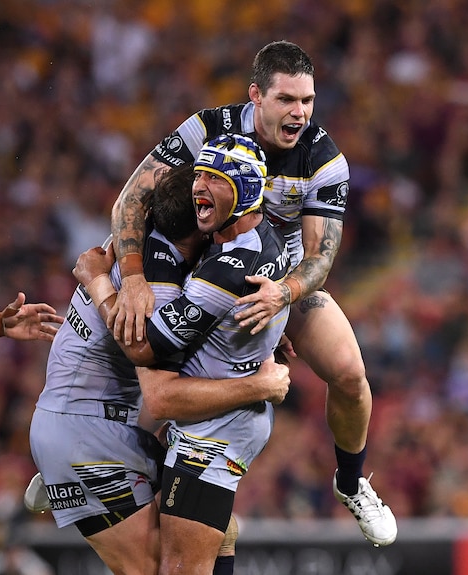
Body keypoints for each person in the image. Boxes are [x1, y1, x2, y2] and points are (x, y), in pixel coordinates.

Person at [108, 40, 397, 547]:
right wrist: (133, 276)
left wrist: (282, 296)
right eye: (287, 100)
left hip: (276, 282)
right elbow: (133, 197)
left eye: (307, 100)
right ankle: (88, 451)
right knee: (140, 340)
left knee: (350, 373)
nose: (300, 112)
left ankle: (351, 485)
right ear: (255, 96)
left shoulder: (325, 159)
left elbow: (320, 257)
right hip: (194, 269)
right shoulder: (206, 129)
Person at [29, 160, 290, 575]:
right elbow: (156, 382)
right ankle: (63, 474)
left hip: (105, 426)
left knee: (219, 532)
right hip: (85, 436)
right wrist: (262, 385)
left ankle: (60, 475)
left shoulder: (144, 245)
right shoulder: (157, 282)